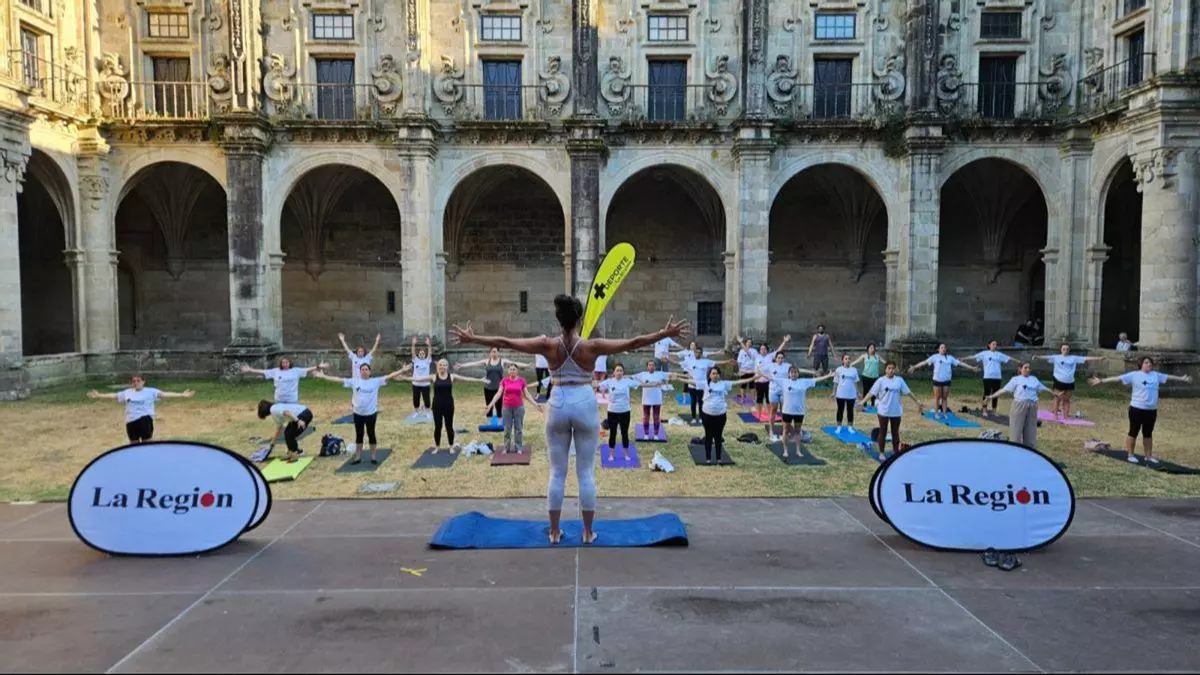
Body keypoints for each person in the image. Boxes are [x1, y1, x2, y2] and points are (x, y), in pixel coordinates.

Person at [450, 294, 688, 545]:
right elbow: (633, 342)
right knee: (585, 473)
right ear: (579, 320)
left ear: (558, 320)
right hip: (584, 401)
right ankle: (587, 532)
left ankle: (554, 532)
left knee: (557, 473)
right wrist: (663, 334)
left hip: (558, 402)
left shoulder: (547, 345)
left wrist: (473, 338)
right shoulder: (592, 346)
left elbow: (506, 342)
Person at [1090, 357, 1192, 464]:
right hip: (1136, 409)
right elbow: (1118, 378)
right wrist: (1101, 381)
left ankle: (1148, 456)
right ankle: (1130, 455)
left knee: (1148, 434)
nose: (1149, 364)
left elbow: (1169, 377)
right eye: (1146, 362)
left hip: (1151, 410)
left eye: (1150, 363)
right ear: (1141, 364)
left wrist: (1182, 378)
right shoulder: (1134, 375)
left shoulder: (1155, 375)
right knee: (1133, 432)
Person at [309, 363, 410, 464]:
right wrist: (323, 376)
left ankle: (373, 457)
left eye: (366, 369)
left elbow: (389, 376)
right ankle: (358, 457)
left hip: (371, 413)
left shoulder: (375, 381)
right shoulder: (355, 381)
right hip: (358, 414)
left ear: (369, 372)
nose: (364, 371)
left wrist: (402, 370)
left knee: (371, 434)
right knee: (359, 435)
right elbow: (338, 379)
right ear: (360, 372)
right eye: (362, 370)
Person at [401, 359, 487, 453]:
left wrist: (480, 380)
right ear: (438, 366)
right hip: (437, 405)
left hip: (449, 405)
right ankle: (437, 447)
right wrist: (404, 377)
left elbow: (466, 379)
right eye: (440, 365)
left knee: (449, 427)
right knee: (438, 427)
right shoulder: (434, 377)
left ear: (447, 367)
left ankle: (451, 446)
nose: (442, 366)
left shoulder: (452, 376)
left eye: (444, 365)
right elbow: (417, 379)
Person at [87, 376, 195, 443]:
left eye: (138, 380)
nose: (136, 383)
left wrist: (182, 395)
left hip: (145, 420)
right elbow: (114, 396)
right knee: (133, 444)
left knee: (146, 443)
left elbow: (164, 394)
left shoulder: (151, 391)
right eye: (134, 381)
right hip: (131, 421)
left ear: (143, 382)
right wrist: (99, 395)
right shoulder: (127, 392)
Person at [685, 365, 756, 464]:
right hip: (707, 414)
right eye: (713, 373)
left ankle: (719, 458)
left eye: (717, 373)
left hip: (720, 415)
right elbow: (691, 382)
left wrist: (752, 378)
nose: (715, 375)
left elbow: (739, 382)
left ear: (719, 375)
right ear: (709, 375)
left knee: (718, 437)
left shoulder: (724, 384)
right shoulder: (705, 383)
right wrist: (678, 378)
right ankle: (708, 459)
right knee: (708, 436)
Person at [761, 365, 835, 459]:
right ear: (789, 374)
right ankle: (785, 450)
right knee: (785, 430)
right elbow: (771, 378)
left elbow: (816, 380)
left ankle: (798, 450)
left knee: (797, 431)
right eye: (792, 372)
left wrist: (828, 376)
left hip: (799, 412)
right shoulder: (784, 381)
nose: (793, 374)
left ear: (798, 374)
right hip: (787, 411)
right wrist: (760, 373)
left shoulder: (803, 382)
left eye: (795, 372)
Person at [983, 362, 1061, 449]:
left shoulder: (1034, 379)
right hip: (1019, 405)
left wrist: (1055, 394)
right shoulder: (1015, 379)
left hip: (1032, 406)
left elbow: (1044, 388)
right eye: (1025, 367)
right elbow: (1003, 390)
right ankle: (1014, 448)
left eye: (1029, 368)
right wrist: (991, 396)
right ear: (1020, 369)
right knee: (1016, 429)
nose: (1028, 369)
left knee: (1030, 429)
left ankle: (1029, 449)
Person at [858, 362, 925, 457]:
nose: (891, 370)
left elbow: (908, 392)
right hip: (883, 411)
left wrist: (917, 402)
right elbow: (871, 393)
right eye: (889, 368)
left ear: (895, 369)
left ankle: (895, 453)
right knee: (883, 432)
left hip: (896, 411)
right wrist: (862, 402)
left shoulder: (899, 380)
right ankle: (881, 453)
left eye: (893, 368)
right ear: (885, 369)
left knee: (895, 433)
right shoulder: (881, 380)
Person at [455, 348, 531, 420]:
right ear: (490, 353)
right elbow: (474, 363)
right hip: (488, 388)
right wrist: (462, 365)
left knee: (499, 408)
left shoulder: (502, 361)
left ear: (498, 352)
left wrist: (527, 365)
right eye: (492, 351)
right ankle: (489, 422)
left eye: (495, 351)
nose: (494, 353)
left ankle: (500, 423)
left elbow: (515, 363)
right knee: (489, 406)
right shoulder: (486, 361)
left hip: (499, 389)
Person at [1037, 344, 1105, 421]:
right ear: (1061, 350)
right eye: (1064, 349)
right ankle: (1055, 415)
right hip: (1058, 380)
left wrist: (1099, 358)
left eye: (1067, 349)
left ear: (1069, 350)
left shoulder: (1073, 358)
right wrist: (1037, 357)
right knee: (1057, 398)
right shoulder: (1056, 357)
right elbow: (1045, 357)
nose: (1065, 350)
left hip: (1070, 381)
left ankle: (1066, 416)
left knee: (1066, 399)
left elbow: (1086, 358)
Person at [908, 344, 979, 419]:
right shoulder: (935, 357)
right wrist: (914, 367)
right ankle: (936, 413)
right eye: (941, 347)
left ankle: (944, 413)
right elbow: (924, 362)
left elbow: (960, 363)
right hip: (937, 381)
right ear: (938, 349)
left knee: (944, 398)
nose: (943, 349)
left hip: (946, 381)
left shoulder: (950, 358)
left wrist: (972, 368)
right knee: (937, 398)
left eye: (944, 347)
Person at [487, 364, 543, 454]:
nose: (512, 371)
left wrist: (536, 405)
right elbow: (499, 393)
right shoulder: (504, 381)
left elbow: (527, 395)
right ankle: (506, 448)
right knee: (507, 429)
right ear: (508, 371)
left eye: (514, 369)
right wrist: (490, 405)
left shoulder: (521, 381)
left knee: (518, 429)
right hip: (506, 408)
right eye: (510, 369)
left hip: (519, 408)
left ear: (517, 371)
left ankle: (519, 448)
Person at [673, 344, 734, 424]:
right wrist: (668, 360)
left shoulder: (706, 361)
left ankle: (701, 417)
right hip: (692, 385)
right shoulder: (689, 361)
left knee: (701, 402)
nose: (697, 354)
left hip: (702, 386)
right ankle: (693, 417)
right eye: (696, 352)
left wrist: (728, 361)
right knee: (693, 402)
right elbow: (678, 363)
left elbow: (717, 362)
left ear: (701, 354)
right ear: (694, 353)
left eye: (699, 352)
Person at [596, 364, 640, 462]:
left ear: (623, 372)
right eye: (617, 370)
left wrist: (655, 384)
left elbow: (642, 384)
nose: (619, 372)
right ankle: (611, 454)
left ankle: (626, 454)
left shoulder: (627, 381)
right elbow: (597, 385)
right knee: (613, 433)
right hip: (612, 411)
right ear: (614, 373)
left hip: (625, 411)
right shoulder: (609, 381)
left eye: (621, 370)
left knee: (624, 433)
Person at [962, 340, 1015, 418]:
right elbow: (973, 357)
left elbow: (1009, 358)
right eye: (993, 344)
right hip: (987, 377)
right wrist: (963, 358)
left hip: (997, 377)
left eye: (996, 344)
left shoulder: (999, 354)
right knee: (987, 393)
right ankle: (984, 410)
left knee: (995, 394)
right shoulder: (984, 353)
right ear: (989, 345)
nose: (995, 346)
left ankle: (994, 411)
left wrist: (1019, 361)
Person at [241, 358, 329, 405]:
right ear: (281, 363)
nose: (285, 364)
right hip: (279, 399)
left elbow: (308, 369)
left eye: (287, 362)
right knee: (280, 419)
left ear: (290, 363)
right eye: (283, 362)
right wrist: (250, 370)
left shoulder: (296, 370)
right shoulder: (276, 371)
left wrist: (319, 366)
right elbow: (263, 372)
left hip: (292, 400)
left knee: (293, 418)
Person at [749, 336, 791, 422]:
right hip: (758, 381)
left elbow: (779, 351)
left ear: (767, 350)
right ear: (759, 350)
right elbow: (747, 351)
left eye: (764, 349)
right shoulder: (756, 356)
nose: (763, 350)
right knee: (759, 399)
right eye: (761, 349)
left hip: (768, 381)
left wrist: (784, 341)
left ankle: (769, 416)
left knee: (768, 400)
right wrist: (741, 343)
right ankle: (759, 416)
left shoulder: (770, 356)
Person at [632, 359, 670, 438]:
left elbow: (670, 375)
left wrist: (662, 382)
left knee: (656, 417)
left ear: (655, 367)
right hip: (646, 399)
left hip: (657, 399)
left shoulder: (660, 374)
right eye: (650, 365)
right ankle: (646, 434)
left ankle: (656, 435)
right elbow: (631, 377)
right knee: (646, 417)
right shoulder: (642, 374)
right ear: (647, 367)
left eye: (653, 365)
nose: (651, 366)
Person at [833, 353, 862, 433]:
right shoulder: (839, 369)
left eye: (849, 358)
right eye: (846, 359)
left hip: (851, 395)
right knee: (840, 410)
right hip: (840, 394)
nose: (848, 360)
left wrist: (858, 392)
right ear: (842, 360)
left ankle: (850, 427)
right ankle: (839, 426)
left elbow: (856, 382)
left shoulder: (854, 370)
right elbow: (835, 382)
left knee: (850, 411)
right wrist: (833, 392)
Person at [850, 343, 882, 408]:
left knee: (874, 391)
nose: (872, 349)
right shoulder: (864, 356)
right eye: (871, 348)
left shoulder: (877, 356)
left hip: (875, 377)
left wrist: (894, 366)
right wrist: (850, 364)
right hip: (866, 376)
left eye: (873, 348)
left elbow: (885, 362)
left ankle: (873, 404)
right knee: (866, 390)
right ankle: (864, 404)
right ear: (868, 349)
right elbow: (857, 361)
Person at [410, 336, 434, 417]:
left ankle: (427, 412)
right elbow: (413, 353)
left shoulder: (428, 361)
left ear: (425, 354)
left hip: (425, 384)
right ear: (418, 354)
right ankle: (417, 412)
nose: (422, 354)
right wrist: (413, 344)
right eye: (420, 353)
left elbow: (430, 352)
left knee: (426, 399)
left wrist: (429, 345)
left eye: (423, 353)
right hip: (416, 384)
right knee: (416, 398)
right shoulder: (415, 360)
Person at [735, 336, 759, 402]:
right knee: (743, 385)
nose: (749, 343)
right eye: (748, 342)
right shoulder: (741, 351)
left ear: (752, 344)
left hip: (752, 370)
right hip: (743, 370)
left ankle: (753, 399)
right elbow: (739, 361)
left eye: (750, 342)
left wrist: (757, 370)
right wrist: (739, 370)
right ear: (745, 343)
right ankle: (742, 398)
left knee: (752, 386)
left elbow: (756, 360)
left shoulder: (754, 351)